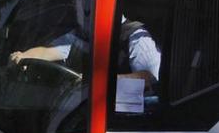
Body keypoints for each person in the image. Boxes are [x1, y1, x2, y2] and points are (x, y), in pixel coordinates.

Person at [10, 15, 161, 85]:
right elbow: (48, 51)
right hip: (79, 111)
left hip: (120, 116)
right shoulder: (82, 34)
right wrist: (25, 55)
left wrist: (96, 82)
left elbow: (148, 78)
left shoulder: (136, 36)